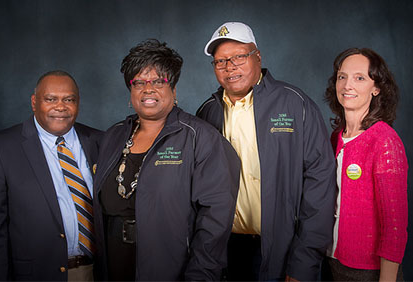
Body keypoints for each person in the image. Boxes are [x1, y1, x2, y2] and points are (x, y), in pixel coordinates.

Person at [196, 22, 336, 281]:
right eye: (220, 61)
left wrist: (303, 262)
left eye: (239, 56)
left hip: (285, 249)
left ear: (257, 56)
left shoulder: (296, 104)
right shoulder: (207, 112)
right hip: (227, 250)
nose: (230, 67)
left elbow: (320, 186)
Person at [93, 39, 240, 281]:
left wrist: (199, 276)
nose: (148, 89)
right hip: (114, 266)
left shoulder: (200, 138)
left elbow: (215, 223)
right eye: (139, 82)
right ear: (131, 92)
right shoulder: (113, 135)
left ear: (173, 89)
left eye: (158, 81)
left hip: (173, 269)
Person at [0, 70, 103, 281]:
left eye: (69, 99)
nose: (60, 107)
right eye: (50, 99)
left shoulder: (100, 141)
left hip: (96, 272)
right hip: (37, 274)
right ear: (34, 102)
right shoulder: (0, 148)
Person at [322, 47, 408, 281]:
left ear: (376, 88)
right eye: (342, 76)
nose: (348, 85)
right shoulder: (334, 138)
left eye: (360, 78)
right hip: (330, 261)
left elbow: (395, 226)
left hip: (368, 271)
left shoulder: (385, 141)